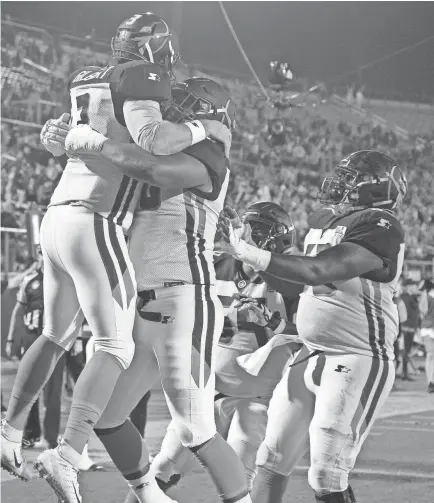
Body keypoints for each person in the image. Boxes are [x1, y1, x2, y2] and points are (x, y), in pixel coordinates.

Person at [1, 13, 230, 503]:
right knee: (113, 348)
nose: (175, 100)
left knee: (60, 337)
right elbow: (149, 145)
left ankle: (13, 432)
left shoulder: (94, 81)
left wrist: (70, 136)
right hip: (96, 224)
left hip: (73, 222)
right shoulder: (142, 82)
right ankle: (66, 452)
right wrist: (198, 124)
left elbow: (125, 145)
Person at [42, 77, 253, 503]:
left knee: (196, 429)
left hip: (184, 297)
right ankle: (148, 495)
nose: (171, 110)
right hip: (142, 303)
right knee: (109, 417)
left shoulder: (208, 153)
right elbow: (114, 170)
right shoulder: (154, 145)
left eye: (185, 106)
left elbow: (149, 169)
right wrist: (62, 140)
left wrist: (88, 140)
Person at [218, 150, 407, 503]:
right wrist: (251, 253)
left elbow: (318, 270)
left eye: (351, 180)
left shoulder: (380, 224)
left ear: (375, 188)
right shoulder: (329, 223)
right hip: (310, 355)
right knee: (270, 458)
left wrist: (252, 254)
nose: (340, 184)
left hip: (356, 356)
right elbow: (300, 285)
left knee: (327, 473)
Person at [148, 202, 302, 495]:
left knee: (239, 483)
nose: (243, 237)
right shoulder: (214, 265)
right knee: (162, 469)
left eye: (253, 234)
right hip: (207, 391)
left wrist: (275, 323)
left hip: (254, 398)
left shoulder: (290, 279)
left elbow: (310, 333)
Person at [420, 280, 434, 392]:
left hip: (428, 328)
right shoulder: (427, 297)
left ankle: (431, 381)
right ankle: (430, 381)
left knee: (431, 356)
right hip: (428, 329)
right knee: (430, 355)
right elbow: (422, 312)